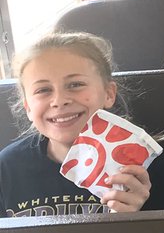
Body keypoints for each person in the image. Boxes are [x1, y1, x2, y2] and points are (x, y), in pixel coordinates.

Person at [0, 32, 154, 217]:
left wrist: (135, 219)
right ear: (28, 109)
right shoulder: (7, 168)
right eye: (43, 90)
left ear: (108, 94)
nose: (59, 100)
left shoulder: (145, 166)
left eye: (75, 84)